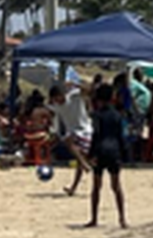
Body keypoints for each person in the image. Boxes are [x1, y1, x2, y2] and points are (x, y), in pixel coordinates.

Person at [86, 84, 127, 228]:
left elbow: (95, 135)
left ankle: (94, 218)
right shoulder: (117, 115)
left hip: (100, 150)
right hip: (114, 150)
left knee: (96, 187)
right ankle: (122, 218)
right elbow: (121, 136)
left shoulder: (97, 115)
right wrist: (124, 154)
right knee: (116, 187)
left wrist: (91, 155)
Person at [48, 82, 93, 196]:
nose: (56, 101)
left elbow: (89, 89)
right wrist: (55, 132)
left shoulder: (74, 96)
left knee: (69, 142)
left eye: (57, 97)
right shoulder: (56, 107)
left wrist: (75, 84)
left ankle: (84, 164)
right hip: (74, 132)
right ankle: (73, 188)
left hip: (86, 130)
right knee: (77, 157)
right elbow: (52, 114)